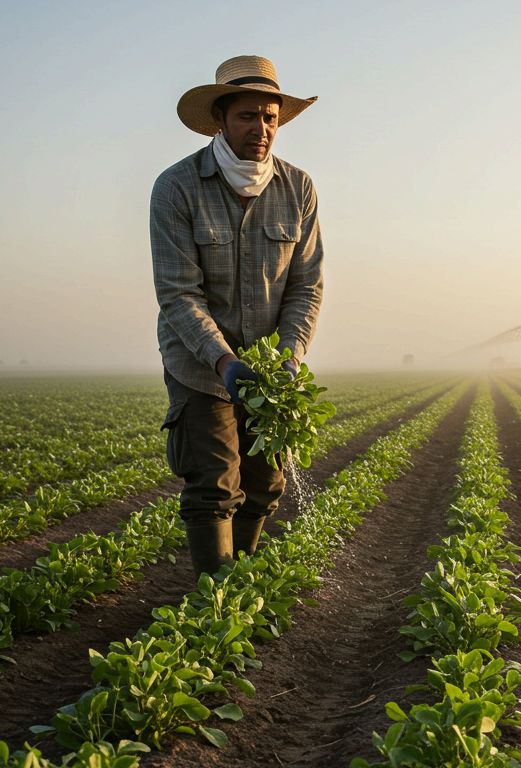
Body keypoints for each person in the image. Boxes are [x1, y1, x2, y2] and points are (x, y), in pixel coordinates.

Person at [150, 55, 324, 583]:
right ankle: (213, 602)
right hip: (201, 365)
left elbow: (306, 286)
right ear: (219, 119)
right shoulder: (177, 187)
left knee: (265, 484)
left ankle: (238, 590)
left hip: (269, 371)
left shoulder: (298, 188)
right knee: (214, 484)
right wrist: (224, 361)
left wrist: (290, 355)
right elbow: (179, 293)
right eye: (248, 116)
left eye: (270, 117)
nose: (262, 128)